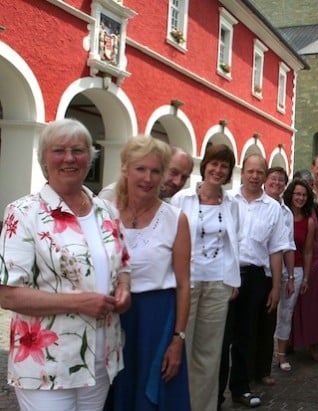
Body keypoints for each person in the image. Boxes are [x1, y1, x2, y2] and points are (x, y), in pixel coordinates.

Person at [0, 118, 131, 410]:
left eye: (79, 150)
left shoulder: (106, 211)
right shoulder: (23, 213)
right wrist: (78, 303)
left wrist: (124, 288)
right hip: (47, 364)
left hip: (100, 358)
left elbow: (122, 264)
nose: (70, 158)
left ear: (90, 157)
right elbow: (7, 294)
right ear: (45, 159)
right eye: (59, 150)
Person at [106, 136, 191, 410]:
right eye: (141, 169)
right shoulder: (104, 213)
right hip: (111, 318)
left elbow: (184, 284)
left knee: (151, 396)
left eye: (156, 170)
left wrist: (177, 339)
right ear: (125, 169)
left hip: (157, 321)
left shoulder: (175, 218)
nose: (148, 178)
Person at [170, 144, 240, 411]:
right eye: (214, 164)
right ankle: (180, 404)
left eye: (224, 166)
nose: (218, 170)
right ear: (205, 165)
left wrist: (232, 280)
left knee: (210, 353)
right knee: (182, 348)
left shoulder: (231, 203)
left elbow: (235, 241)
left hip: (218, 283)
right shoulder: (182, 199)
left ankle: (205, 406)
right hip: (186, 282)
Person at [218, 154, 287, 409]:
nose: (255, 176)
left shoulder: (273, 208)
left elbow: (277, 249)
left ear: (265, 175)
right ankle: (214, 395)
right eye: (250, 171)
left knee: (247, 336)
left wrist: (276, 287)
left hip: (256, 277)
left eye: (260, 172)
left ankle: (241, 389)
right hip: (225, 275)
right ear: (242, 172)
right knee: (222, 338)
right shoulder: (226, 201)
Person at [251, 167, 296, 386]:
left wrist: (290, 277)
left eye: (281, 180)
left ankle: (263, 370)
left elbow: (287, 246)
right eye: (273, 179)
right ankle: (247, 370)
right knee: (249, 325)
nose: (277, 183)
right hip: (254, 271)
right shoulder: (254, 205)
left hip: (275, 274)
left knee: (268, 323)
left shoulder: (286, 212)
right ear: (265, 181)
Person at [290, 170, 318, 362]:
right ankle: (290, 340)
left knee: (313, 305)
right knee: (292, 304)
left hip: (314, 259)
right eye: (303, 184)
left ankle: (313, 344)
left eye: (309, 184)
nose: (307, 187)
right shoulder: (285, 209)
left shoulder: (314, 208)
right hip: (291, 258)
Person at [275, 179, 315, 371]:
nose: (300, 198)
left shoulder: (309, 221)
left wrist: (306, 277)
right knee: (270, 312)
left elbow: (308, 252)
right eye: (297, 194)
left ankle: (281, 355)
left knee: (286, 312)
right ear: (290, 194)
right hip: (274, 268)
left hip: (296, 271)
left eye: (304, 195)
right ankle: (268, 350)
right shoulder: (280, 213)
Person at [99, 146, 193, 202]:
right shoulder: (111, 195)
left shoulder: (169, 208)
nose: (178, 182)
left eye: (184, 177)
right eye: (173, 172)